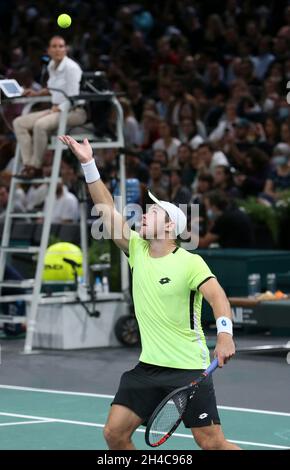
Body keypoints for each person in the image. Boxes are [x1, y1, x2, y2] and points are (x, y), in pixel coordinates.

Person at [59, 134, 240, 451]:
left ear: (170, 227)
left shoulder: (189, 262)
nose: (144, 213)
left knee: (212, 444)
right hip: (147, 367)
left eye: (154, 211)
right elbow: (104, 207)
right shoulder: (137, 251)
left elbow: (218, 296)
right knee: (114, 435)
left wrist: (225, 334)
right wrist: (88, 163)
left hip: (187, 369)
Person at [13, 36, 87, 179]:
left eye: (61, 46)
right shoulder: (51, 65)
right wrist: (36, 93)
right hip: (56, 109)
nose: (58, 49)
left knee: (40, 125)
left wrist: (58, 109)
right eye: (54, 46)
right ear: (48, 50)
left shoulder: (72, 68)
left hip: (74, 112)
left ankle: (36, 167)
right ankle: (28, 165)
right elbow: (53, 88)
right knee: (19, 123)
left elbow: (74, 98)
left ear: (65, 49)